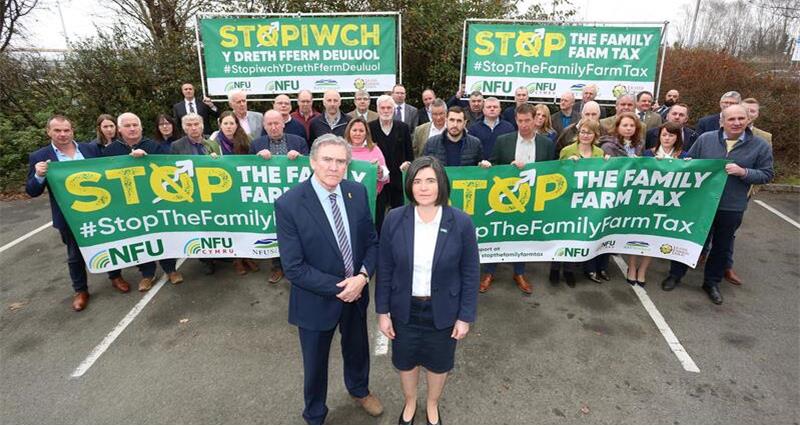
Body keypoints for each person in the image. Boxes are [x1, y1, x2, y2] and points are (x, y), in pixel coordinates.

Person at [275, 134, 383, 425]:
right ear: (312, 162)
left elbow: (372, 243)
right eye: (327, 160)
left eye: (340, 161)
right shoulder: (289, 204)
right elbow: (294, 267)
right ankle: (314, 413)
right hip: (315, 300)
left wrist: (361, 278)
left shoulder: (357, 192)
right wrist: (342, 288)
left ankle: (360, 390)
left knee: (358, 348)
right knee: (315, 363)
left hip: (357, 292)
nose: (334, 167)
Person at [376, 156, 479, 426]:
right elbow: (385, 268)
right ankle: (410, 402)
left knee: (438, 363)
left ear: (441, 184)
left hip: (443, 309)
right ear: (409, 185)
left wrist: (465, 316)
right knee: (406, 361)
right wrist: (382, 312)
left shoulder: (462, 222)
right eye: (418, 181)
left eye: (430, 181)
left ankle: (432, 404)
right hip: (403, 308)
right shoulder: (394, 218)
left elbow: (470, 273)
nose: (423, 187)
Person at [661, 105, 773, 304]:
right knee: (687, 239)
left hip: (731, 205)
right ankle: (675, 274)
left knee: (721, 246)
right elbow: (690, 163)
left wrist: (744, 172)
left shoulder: (760, 145)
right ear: (722, 121)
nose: (737, 123)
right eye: (731, 119)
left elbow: (767, 174)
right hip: (700, 203)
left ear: (748, 120)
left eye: (741, 118)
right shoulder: (706, 139)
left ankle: (711, 282)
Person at [27, 115, 103, 311]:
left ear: (72, 131)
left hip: (100, 209)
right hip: (69, 216)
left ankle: (115, 276)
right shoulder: (39, 157)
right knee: (75, 255)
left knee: (108, 244)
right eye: (57, 130)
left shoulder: (90, 149)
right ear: (49, 132)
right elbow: (32, 191)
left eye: (66, 130)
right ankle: (81, 290)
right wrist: (38, 175)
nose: (62, 134)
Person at [104, 112, 184, 289]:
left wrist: (147, 158)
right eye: (127, 126)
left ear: (141, 127)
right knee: (139, 238)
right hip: (128, 203)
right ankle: (147, 274)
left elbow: (168, 168)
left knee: (162, 235)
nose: (132, 129)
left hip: (154, 200)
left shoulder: (153, 146)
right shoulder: (110, 151)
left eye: (135, 125)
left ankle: (171, 269)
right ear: (119, 129)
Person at [482, 103, 555, 294]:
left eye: (527, 121)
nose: (524, 125)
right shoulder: (503, 140)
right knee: (498, 232)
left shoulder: (546, 144)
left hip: (531, 200)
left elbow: (552, 172)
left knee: (522, 234)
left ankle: (519, 272)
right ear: (515, 120)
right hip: (504, 199)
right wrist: (488, 165)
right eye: (520, 121)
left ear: (536, 120)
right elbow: (495, 163)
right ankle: (489, 272)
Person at [250, 109, 308, 283]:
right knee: (274, 232)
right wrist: (256, 159)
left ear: (283, 124)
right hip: (270, 198)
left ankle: (299, 266)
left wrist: (301, 157)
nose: (274, 127)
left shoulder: (298, 142)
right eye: (270, 124)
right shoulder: (256, 145)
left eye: (277, 123)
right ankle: (277, 267)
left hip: (296, 198)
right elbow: (246, 171)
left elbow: (311, 165)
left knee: (299, 232)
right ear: (264, 126)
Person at [170, 113, 222, 277]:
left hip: (212, 192)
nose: (193, 127)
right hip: (191, 193)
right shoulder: (176, 146)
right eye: (189, 125)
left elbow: (222, 166)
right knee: (199, 226)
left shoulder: (212, 143)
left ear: (202, 126)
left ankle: (219, 254)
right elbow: (173, 171)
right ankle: (205, 260)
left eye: (196, 124)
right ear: (185, 128)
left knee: (214, 223)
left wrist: (216, 160)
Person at [556, 119, 606, 287]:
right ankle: (555, 269)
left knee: (576, 236)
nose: (585, 135)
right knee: (561, 234)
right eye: (583, 132)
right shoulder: (566, 150)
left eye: (589, 133)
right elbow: (557, 173)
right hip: (567, 200)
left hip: (587, 203)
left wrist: (608, 163)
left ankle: (569, 270)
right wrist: (569, 164)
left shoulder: (599, 153)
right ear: (578, 134)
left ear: (595, 135)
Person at [370, 95, 413, 234]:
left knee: (400, 217)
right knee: (378, 218)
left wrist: (408, 163)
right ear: (377, 109)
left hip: (398, 181)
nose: (386, 110)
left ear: (394, 109)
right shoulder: (370, 128)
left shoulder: (403, 128)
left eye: (389, 107)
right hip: (378, 182)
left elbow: (410, 155)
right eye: (383, 107)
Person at [344, 116, 389, 194]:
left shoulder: (374, 149)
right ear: (349, 131)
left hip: (369, 196)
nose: (357, 133)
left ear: (366, 133)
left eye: (361, 131)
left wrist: (379, 171)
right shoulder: (341, 149)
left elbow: (385, 177)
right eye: (354, 130)